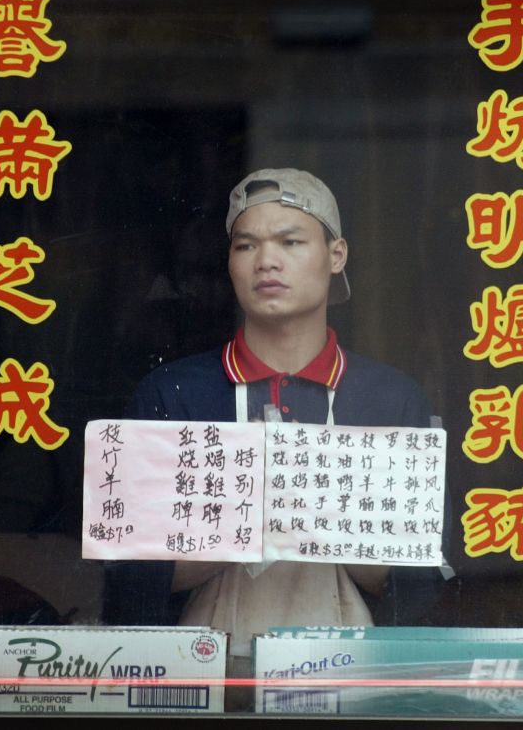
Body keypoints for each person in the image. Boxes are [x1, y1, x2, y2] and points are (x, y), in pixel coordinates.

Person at [108, 167, 435, 680]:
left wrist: (314, 512)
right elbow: (128, 579)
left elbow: (421, 588)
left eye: (291, 241)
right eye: (245, 246)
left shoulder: (390, 400)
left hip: (356, 682)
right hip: (197, 680)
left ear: (336, 256)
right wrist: (251, 515)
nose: (267, 262)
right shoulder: (173, 394)